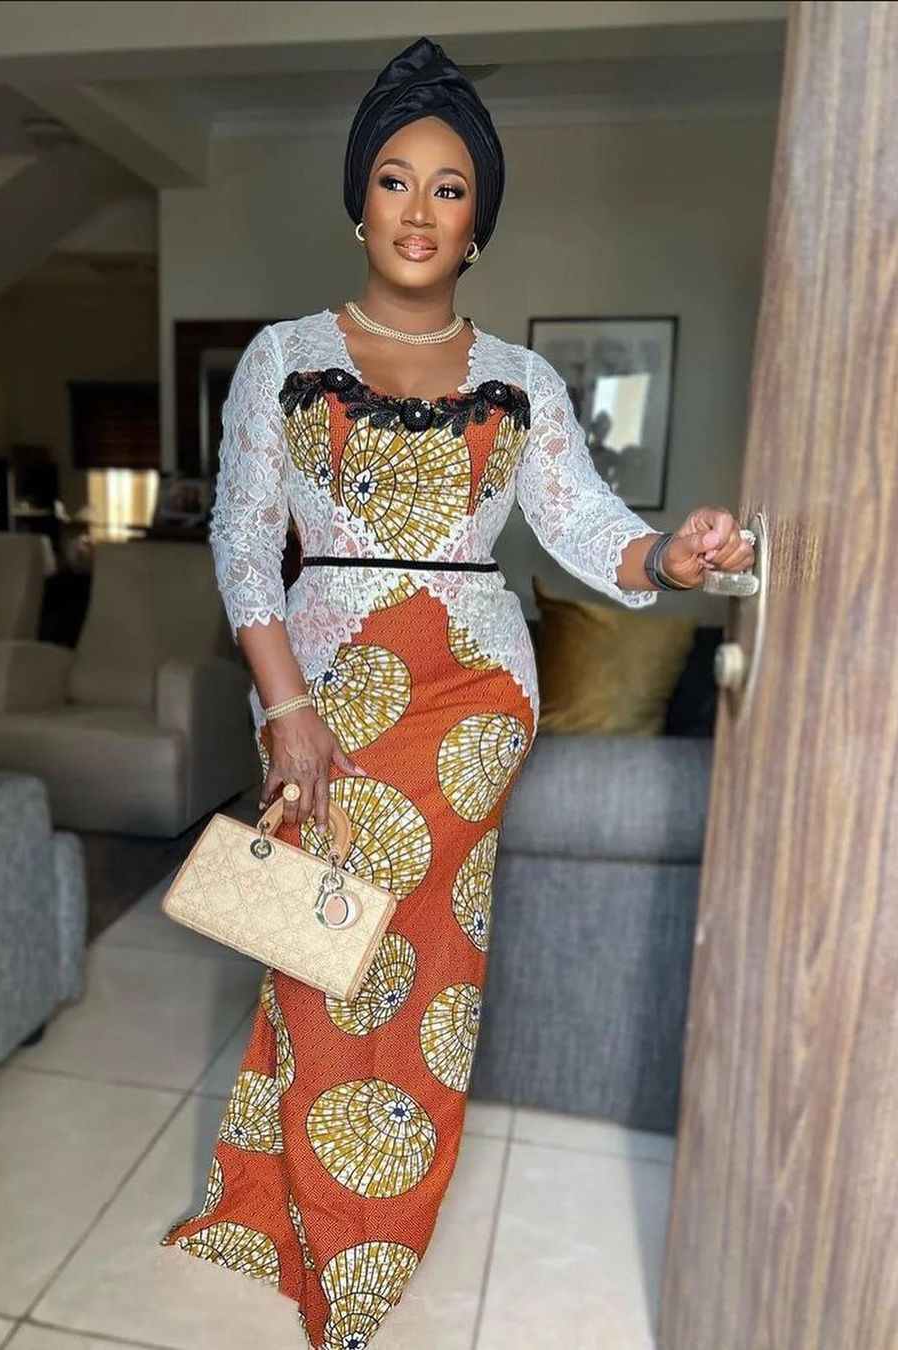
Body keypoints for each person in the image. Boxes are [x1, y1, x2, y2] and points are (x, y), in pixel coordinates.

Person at [159, 36, 754, 1350]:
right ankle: (286, 1206)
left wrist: (670, 555)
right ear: (356, 200)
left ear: (478, 221)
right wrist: (286, 709)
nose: (419, 209)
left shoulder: (522, 383)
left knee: (426, 964)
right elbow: (243, 546)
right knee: (320, 948)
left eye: (449, 187)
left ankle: (366, 1251)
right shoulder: (282, 357)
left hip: (473, 702)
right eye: (394, 178)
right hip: (322, 695)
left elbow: (589, 529)